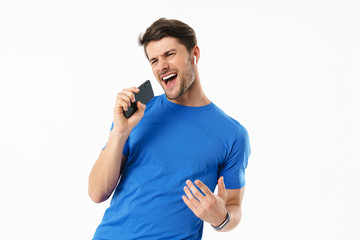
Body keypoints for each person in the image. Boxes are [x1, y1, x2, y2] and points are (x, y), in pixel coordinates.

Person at [88, 18, 251, 240]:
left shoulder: (232, 134)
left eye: (169, 54)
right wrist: (119, 132)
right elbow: (97, 193)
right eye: (154, 60)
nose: (161, 66)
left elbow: (234, 206)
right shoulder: (137, 114)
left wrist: (221, 217)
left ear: (195, 54)